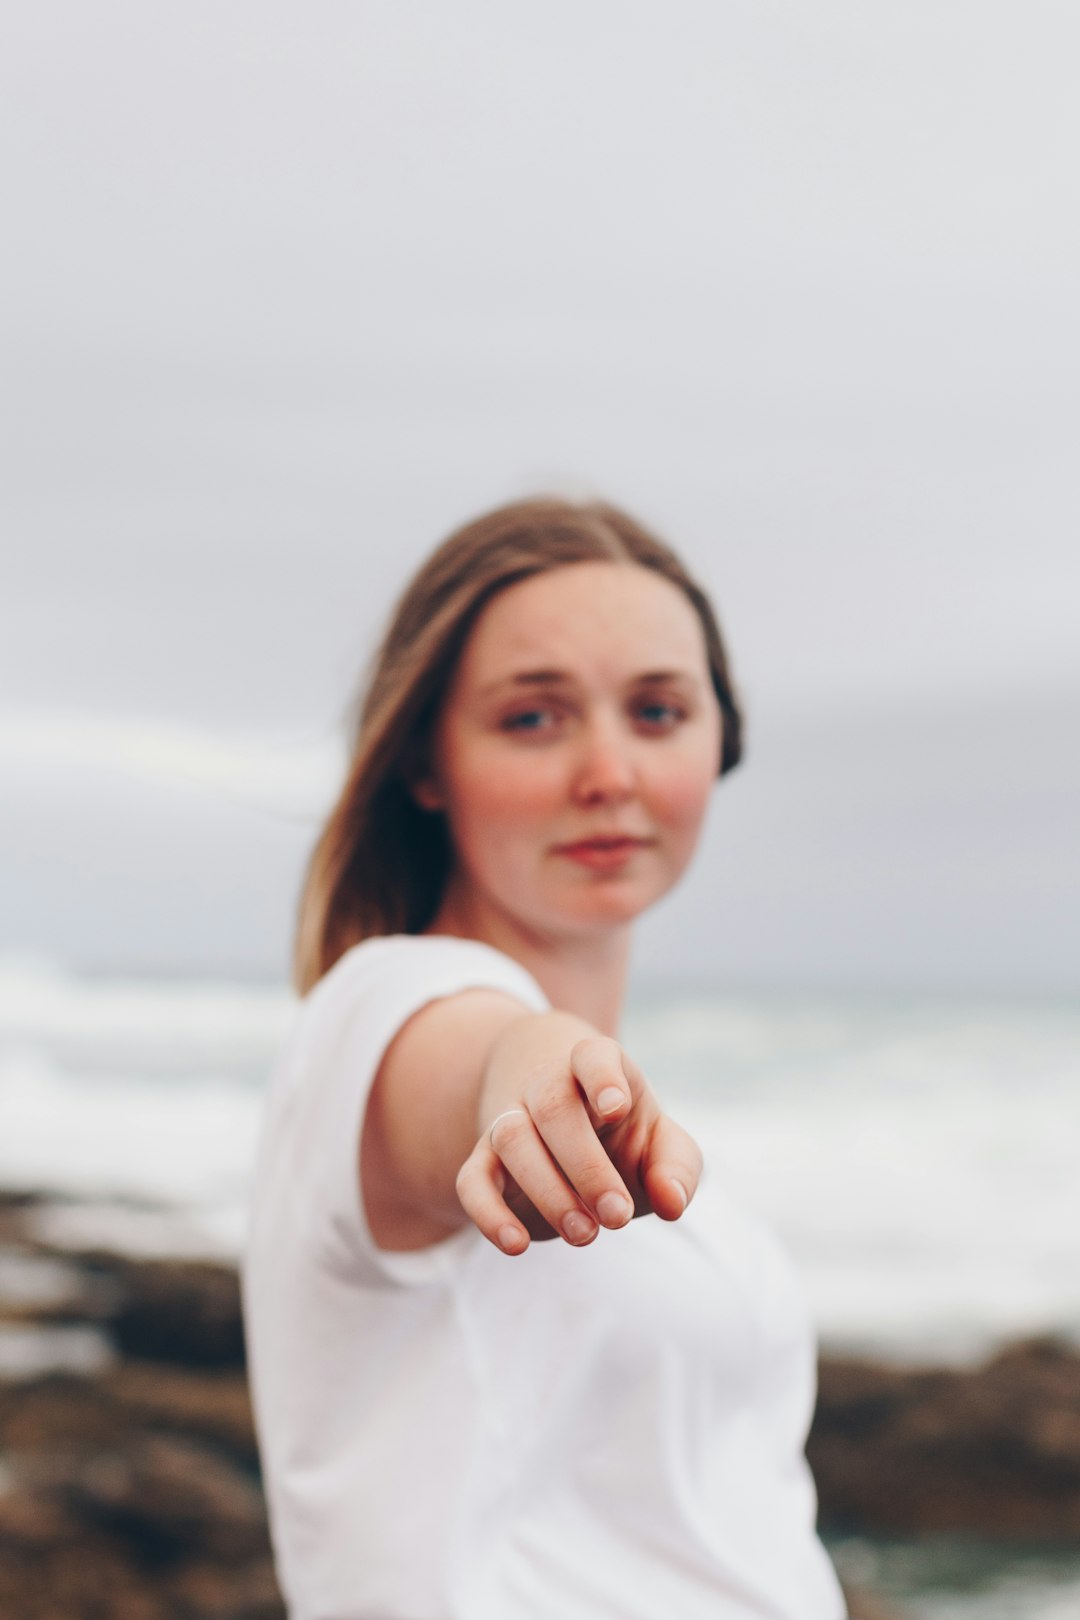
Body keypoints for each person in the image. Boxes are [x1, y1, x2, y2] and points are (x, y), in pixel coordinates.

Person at [241, 496, 846, 1620]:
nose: (607, 771)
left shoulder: (672, 1176)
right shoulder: (381, 1006)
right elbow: (480, 1064)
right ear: (426, 762)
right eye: (534, 719)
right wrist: (534, 1067)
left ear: (723, 741)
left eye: (658, 711)